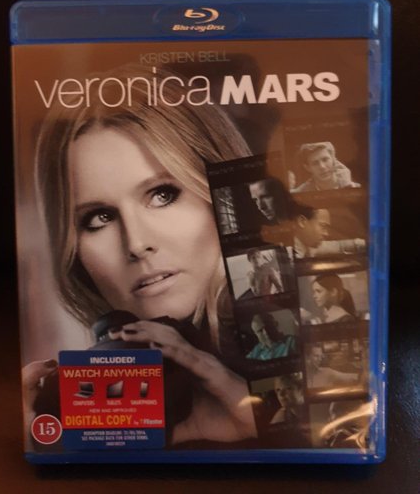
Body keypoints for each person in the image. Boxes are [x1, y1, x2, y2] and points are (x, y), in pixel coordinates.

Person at [22, 64, 258, 447]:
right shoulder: (111, 394)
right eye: (99, 218)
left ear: (224, 197)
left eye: (163, 195)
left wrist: (272, 426)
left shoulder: (311, 350)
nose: (135, 244)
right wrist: (42, 441)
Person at [291, 142, 361, 192]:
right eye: (315, 163)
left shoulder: (357, 188)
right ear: (308, 168)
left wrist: (348, 187)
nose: (322, 167)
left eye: (325, 159)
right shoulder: (300, 193)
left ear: (334, 160)